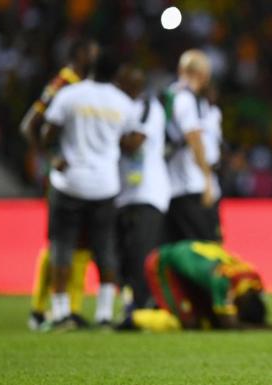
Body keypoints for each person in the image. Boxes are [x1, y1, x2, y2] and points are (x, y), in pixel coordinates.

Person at [41, 50, 139, 329]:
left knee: (62, 247)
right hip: (105, 185)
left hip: (69, 181)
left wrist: (54, 156)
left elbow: (47, 133)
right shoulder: (123, 102)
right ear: (116, 74)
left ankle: (61, 314)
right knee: (105, 249)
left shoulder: (70, 95)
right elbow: (130, 143)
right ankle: (105, 315)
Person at [22, 38, 99, 330]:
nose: (95, 55)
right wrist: (49, 158)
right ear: (78, 53)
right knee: (59, 243)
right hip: (65, 179)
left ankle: (72, 310)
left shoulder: (84, 85)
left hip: (87, 177)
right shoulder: (63, 83)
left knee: (81, 243)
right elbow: (30, 124)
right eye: (91, 50)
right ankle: (39, 309)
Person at [117, 240, 272, 331]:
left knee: (207, 320)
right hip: (163, 263)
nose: (233, 309)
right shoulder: (223, 282)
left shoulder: (253, 279)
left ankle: (159, 305)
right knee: (188, 323)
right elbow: (230, 325)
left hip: (190, 264)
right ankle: (133, 316)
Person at [115, 65, 169, 315]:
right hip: (120, 192)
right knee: (122, 255)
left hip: (148, 192)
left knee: (141, 252)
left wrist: (103, 137)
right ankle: (133, 303)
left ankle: (144, 305)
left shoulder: (148, 107)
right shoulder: (117, 108)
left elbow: (135, 143)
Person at [163, 49, 220, 243]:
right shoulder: (185, 99)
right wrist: (207, 180)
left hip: (176, 184)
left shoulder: (173, 96)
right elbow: (194, 139)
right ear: (203, 75)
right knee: (205, 248)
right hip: (190, 185)